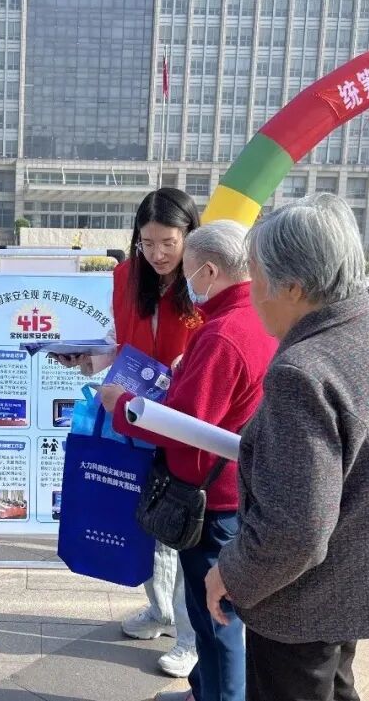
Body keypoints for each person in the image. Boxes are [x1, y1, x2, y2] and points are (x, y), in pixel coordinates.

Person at [206, 194, 369, 701]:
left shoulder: (304, 371)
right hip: (350, 584)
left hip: (301, 603)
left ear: (293, 286)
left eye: (256, 278)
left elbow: (295, 530)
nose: (251, 294)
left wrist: (231, 572)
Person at [100, 220, 277, 701]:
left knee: (216, 616)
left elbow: (185, 424)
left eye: (187, 270)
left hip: (213, 496)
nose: (183, 280)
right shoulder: (254, 317)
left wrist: (121, 405)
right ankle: (204, 690)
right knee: (208, 612)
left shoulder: (223, 334)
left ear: (209, 270)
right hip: (234, 484)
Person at [52, 188, 202, 677]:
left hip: (185, 416)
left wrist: (186, 369)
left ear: (190, 236)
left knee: (181, 527)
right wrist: (85, 357)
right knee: (143, 516)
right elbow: (122, 346)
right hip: (134, 413)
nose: (157, 254)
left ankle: (191, 637)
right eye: (147, 243)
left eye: (169, 243)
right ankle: (159, 609)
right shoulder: (126, 276)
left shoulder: (204, 278)